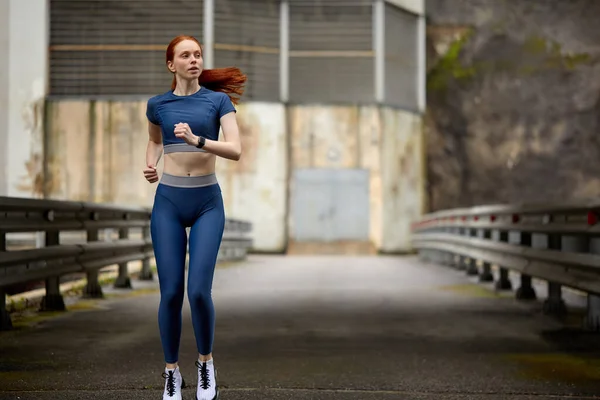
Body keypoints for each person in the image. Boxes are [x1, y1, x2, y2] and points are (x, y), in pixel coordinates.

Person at [143, 35, 246, 400]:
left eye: (198, 54)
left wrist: (198, 141)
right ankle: (171, 371)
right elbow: (155, 140)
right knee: (170, 293)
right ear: (171, 64)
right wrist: (150, 163)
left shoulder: (218, 101)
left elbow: (234, 149)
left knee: (198, 292)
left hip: (206, 203)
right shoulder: (158, 104)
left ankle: (205, 364)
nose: (194, 60)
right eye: (185, 55)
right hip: (169, 202)